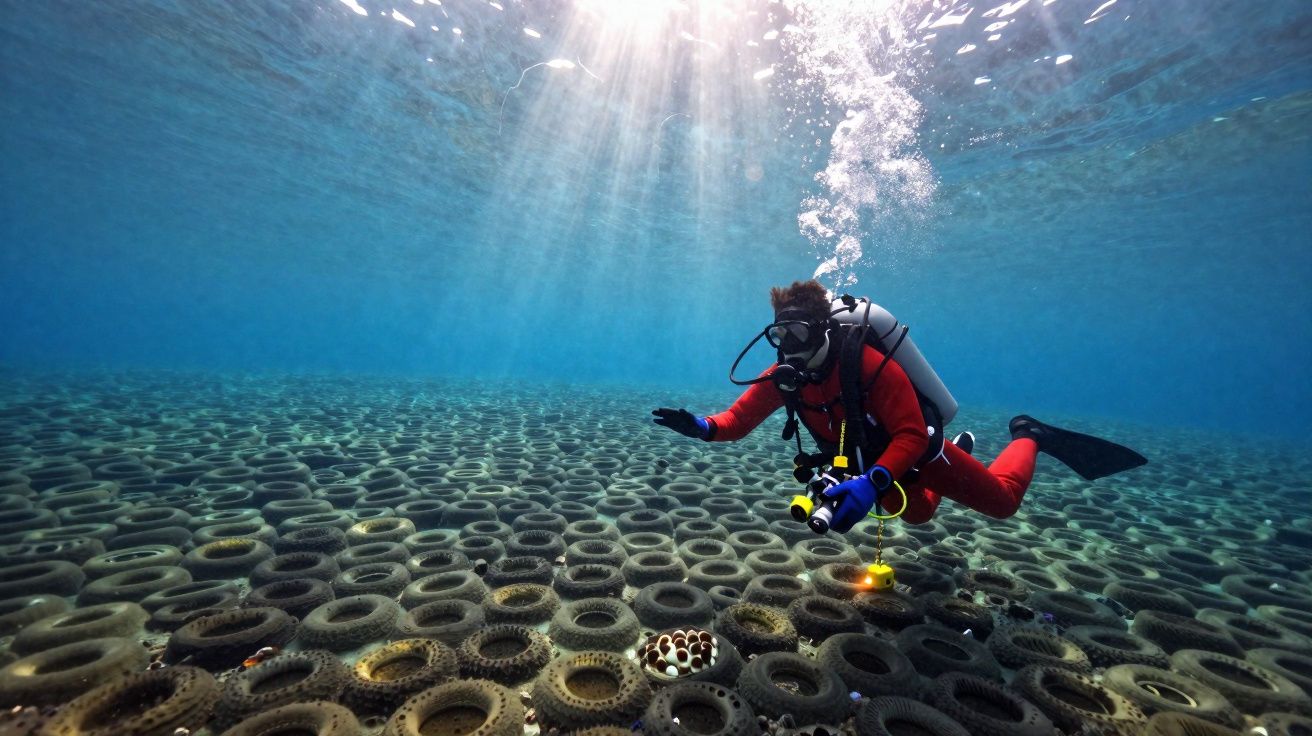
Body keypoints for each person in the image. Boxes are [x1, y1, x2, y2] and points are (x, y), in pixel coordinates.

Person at [652, 280, 1145, 534]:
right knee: (919, 517)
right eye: (780, 336)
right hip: (874, 466)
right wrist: (701, 426)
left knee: (1002, 503)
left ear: (823, 331)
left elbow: (910, 435)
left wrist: (871, 482)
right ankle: (962, 451)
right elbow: (736, 420)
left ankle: (1028, 434)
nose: (788, 348)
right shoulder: (784, 376)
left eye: (798, 334)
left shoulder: (868, 366)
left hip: (915, 452)